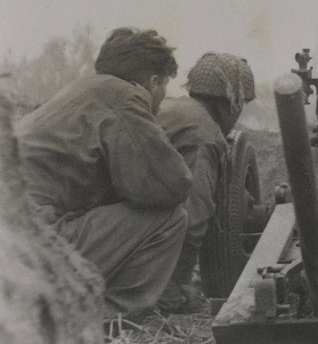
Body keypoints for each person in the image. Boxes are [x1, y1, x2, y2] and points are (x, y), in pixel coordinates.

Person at [16, 27, 192, 319]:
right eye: (164, 88)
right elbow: (172, 184)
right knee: (171, 217)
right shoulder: (125, 97)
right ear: (154, 82)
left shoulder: (77, 92)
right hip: (31, 248)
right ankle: (105, 316)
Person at [156, 52, 255, 313]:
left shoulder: (170, 107)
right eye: (241, 104)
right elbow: (194, 217)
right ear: (229, 104)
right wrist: (175, 289)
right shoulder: (205, 134)